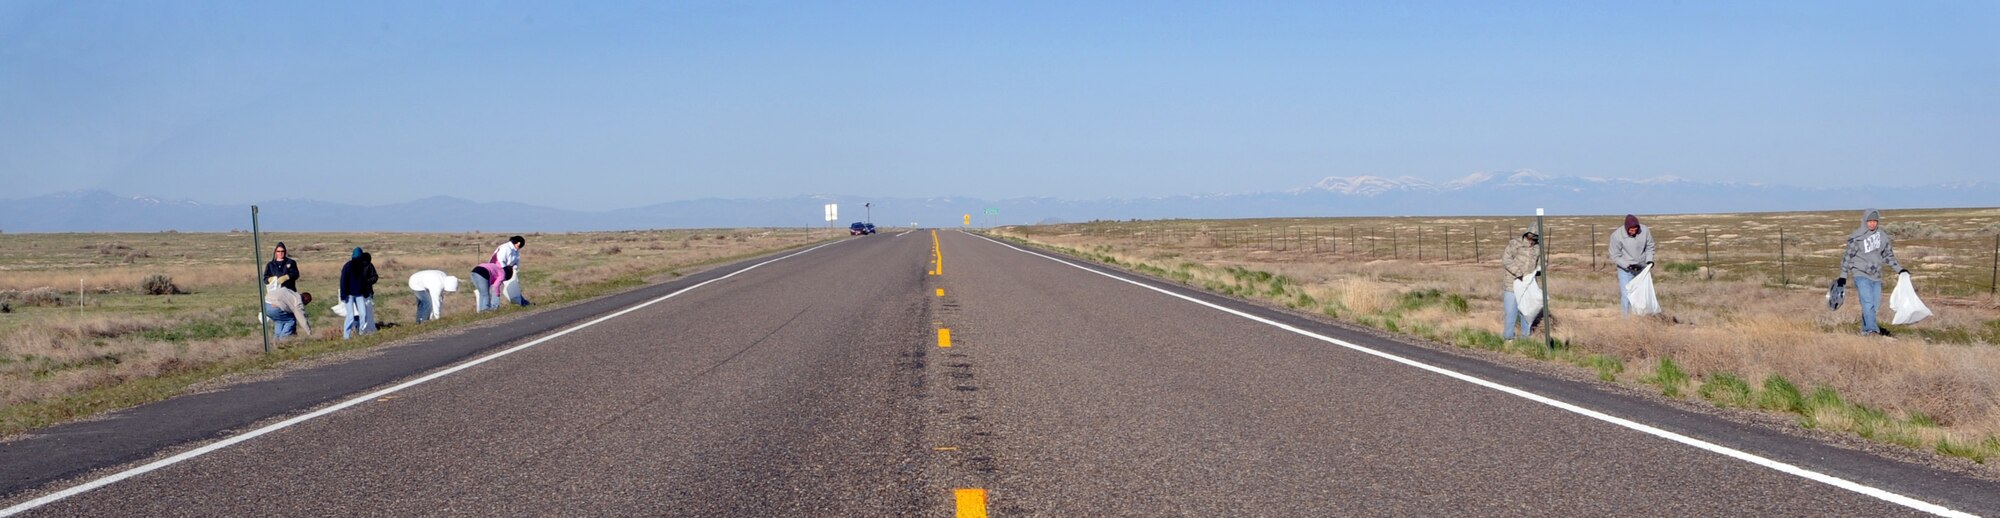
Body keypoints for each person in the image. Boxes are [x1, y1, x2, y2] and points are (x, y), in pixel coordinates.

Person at [1838, 209, 1908, 336]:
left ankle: (1865, 331)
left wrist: (1900, 270)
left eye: (1874, 221)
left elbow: (1888, 256)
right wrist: (1843, 276)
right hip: (1860, 274)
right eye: (1869, 221)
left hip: (1876, 276)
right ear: (1865, 221)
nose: (1872, 224)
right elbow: (1847, 256)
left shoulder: (1883, 237)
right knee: (1868, 302)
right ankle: (1872, 330)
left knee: (1874, 306)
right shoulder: (1857, 238)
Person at [1500, 223, 1543, 340]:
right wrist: (1518, 273)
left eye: (1535, 238)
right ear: (1526, 234)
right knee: (1510, 312)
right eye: (1530, 237)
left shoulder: (1538, 248)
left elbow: (1541, 262)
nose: (1532, 240)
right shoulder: (1515, 244)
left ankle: (1526, 337)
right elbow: (1506, 259)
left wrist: (1540, 269)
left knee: (1526, 312)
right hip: (1512, 284)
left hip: (1528, 285)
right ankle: (1509, 338)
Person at [1607, 214, 1657, 315]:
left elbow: (1650, 246)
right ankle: (1626, 321)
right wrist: (1627, 265)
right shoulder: (1616, 236)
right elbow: (1615, 256)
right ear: (1626, 228)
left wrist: (1649, 260)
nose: (1633, 232)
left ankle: (1643, 317)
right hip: (1626, 270)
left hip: (1642, 268)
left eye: (1635, 229)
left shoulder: (1645, 231)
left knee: (1643, 295)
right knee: (1627, 295)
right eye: (1631, 230)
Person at [339, 248, 379, 339]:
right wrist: (343, 294)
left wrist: (365, 291)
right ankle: (346, 336)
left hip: (359, 294)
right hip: (349, 295)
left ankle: (361, 332)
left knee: (363, 314)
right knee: (350, 316)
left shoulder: (362, 266)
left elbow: (363, 281)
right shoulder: (348, 266)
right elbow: (343, 281)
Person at [492, 236, 530, 306]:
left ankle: (522, 302)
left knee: (513, 286)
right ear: (518, 243)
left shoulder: (515, 250)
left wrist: (514, 268)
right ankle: (494, 306)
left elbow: (515, 261)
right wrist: (505, 270)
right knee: (496, 286)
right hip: (498, 269)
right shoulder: (505, 248)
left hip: (507, 270)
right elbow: (500, 260)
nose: (520, 247)